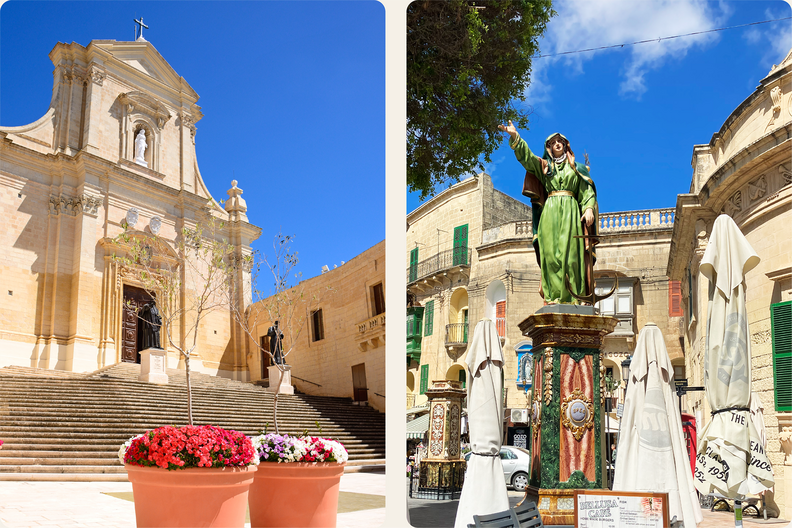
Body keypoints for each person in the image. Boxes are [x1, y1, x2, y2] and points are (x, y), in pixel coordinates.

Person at [498, 121, 598, 304]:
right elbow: (527, 158)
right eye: (553, 142)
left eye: (560, 141)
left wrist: (589, 208)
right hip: (549, 213)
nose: (557, 144)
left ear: (566, 145)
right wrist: (515, 137)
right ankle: (553, 297)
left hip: (571, 213)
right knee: (550, 256)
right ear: (549, 147)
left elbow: (587, 191)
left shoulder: (577, 168)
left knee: (572, 257)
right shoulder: (544, 166)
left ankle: (575, 298)